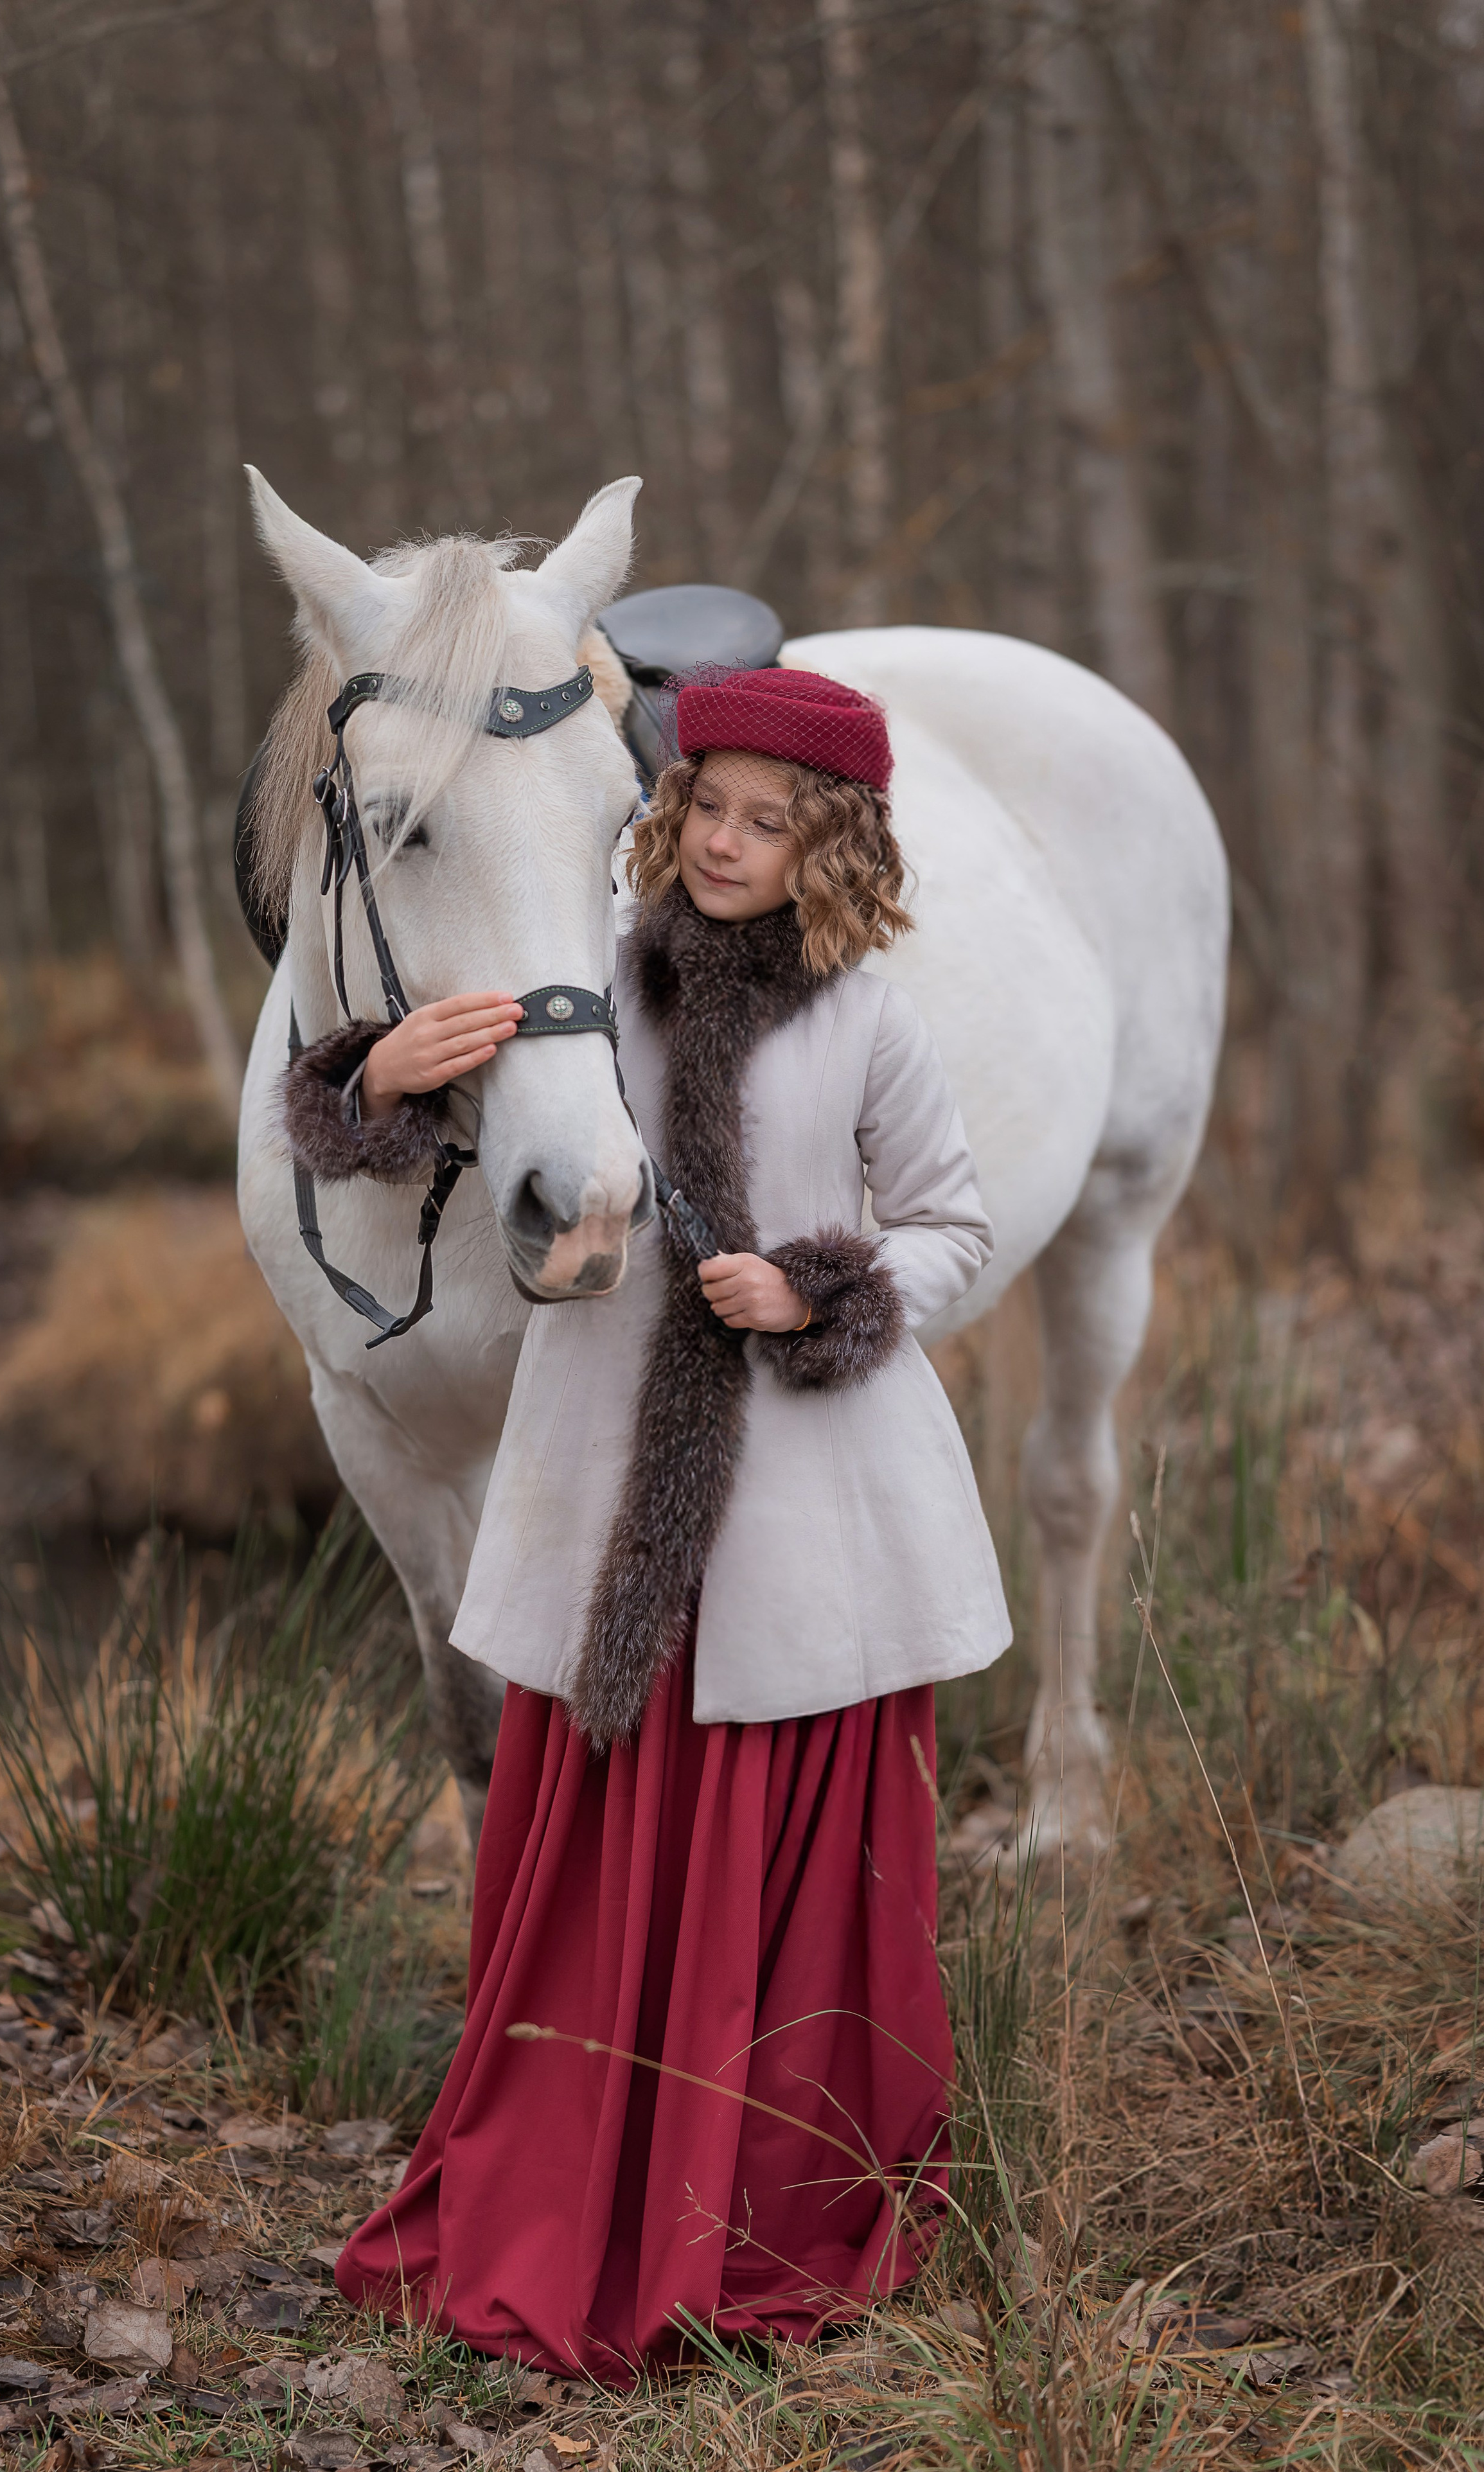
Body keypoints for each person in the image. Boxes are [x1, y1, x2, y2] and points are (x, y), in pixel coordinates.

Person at [298, 666, 1011, 2384]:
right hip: (609, 1483)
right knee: (604, 1838)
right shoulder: (588, 985)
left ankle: (756, 2197)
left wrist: (825, 1284)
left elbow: (954, 1226)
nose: (726, 842)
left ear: (830, 844)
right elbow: (422, 1138)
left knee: (786, 1823)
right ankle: (580, 2172)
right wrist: (375, 1076)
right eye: (708, 806)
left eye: (770, 822)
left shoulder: (866, 1022)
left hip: (804, 1508)